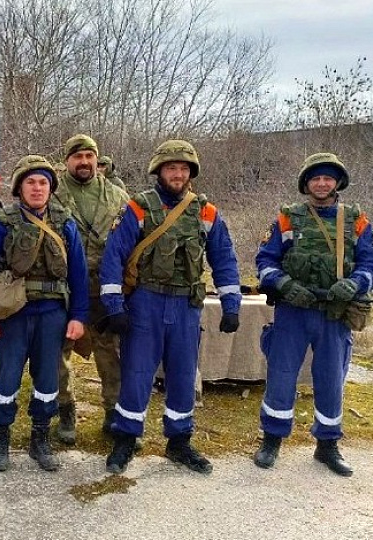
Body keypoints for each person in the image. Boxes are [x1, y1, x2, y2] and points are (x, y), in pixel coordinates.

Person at [99, 139, 242, 474]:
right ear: (159, 171)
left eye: (183, 169)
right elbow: (113, 257)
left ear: (191, 173)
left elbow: (224, 259)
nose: (177, 174)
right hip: (145, 302)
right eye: (171, 168)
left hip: (186, 306)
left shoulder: (206, 213)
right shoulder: (138, 208)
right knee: (136, 374)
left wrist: (231, 304)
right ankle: (126, 439)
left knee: (183, 375)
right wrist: (114, 305)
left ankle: (179, 441)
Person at [253, 152, 373, 477]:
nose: (322, 183)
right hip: (293, 312)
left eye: (328, 178)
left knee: (331, 380)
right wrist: (284, 284)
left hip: (333, 315)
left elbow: (372, 266)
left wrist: (353, 284)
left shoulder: (356, 220)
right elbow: (265, 261)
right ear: (306, 183)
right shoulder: (287, 218)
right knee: (281, 376)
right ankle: (271, 440)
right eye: (316, 178)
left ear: (337, 183)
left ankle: (327, 445)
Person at [0, 155, 88, 472]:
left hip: (52, 315)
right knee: (6, 378)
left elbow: (79, 274)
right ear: (20, 187)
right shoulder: (1, 222)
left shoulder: (65, 223)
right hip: (12, 315)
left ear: (51, 188)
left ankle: (41, 440)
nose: (37, 188)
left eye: (43, 183)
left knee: (48, 380)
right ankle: (0, 440)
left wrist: (78, 316)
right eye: (31, 182)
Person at [52, 134, 128, 445]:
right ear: (67, 160)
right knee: (57, 352)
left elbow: (129, 243)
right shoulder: (53, 194)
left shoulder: (117, 196)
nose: (84, 162)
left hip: (103, 287)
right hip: (63, 287)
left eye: (89, 156)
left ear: (97, 159)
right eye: (77, 156)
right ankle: (65, 409)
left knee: (110, 352)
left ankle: (113, 411)